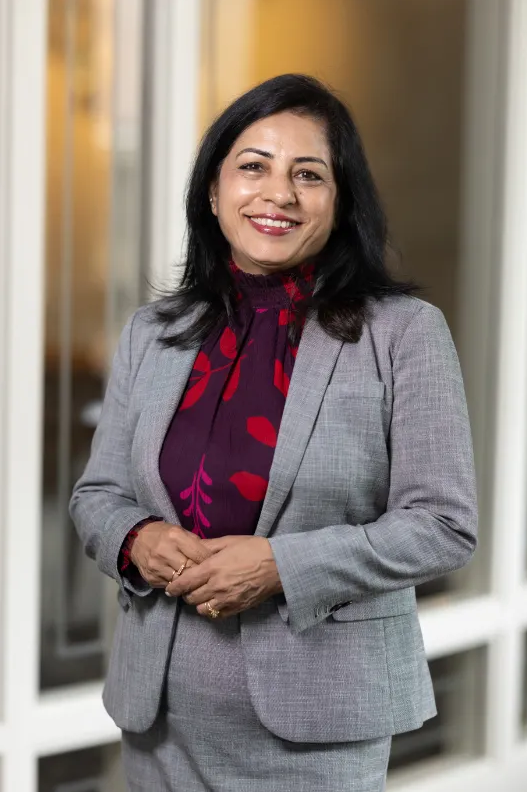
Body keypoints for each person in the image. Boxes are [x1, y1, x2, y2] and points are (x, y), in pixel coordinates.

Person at [70, 73, 477, 792]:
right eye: (253, 165)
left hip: (314, 727)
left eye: (308, 174)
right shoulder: (154, 333)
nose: (277, 193)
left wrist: (281, 568)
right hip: (158, 715)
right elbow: (97, 494)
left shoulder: (404, 335)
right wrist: (136, 538)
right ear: (212, 190)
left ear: (341, 200)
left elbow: (442, 525)